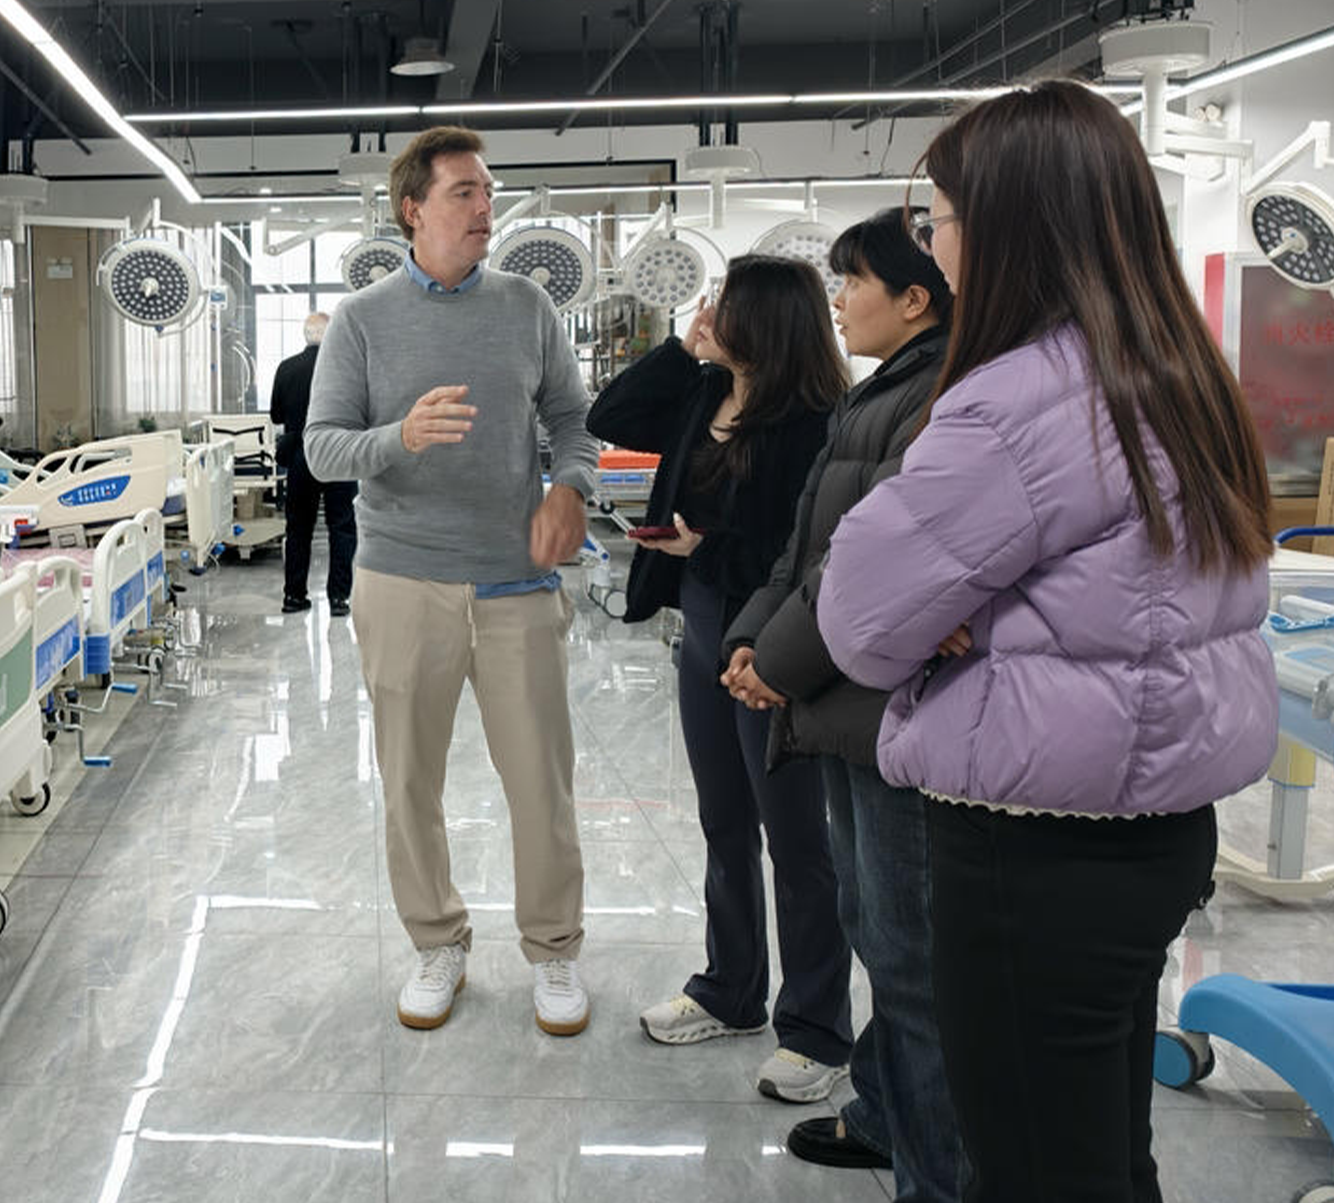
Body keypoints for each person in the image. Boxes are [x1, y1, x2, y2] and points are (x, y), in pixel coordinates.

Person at [816, 80, 1276, 1203]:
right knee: (1100, 1153)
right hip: (1154, 827)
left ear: (1007, 228)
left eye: (939, 220)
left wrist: (965, 616)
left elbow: (860, 620)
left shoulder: (1016, 403)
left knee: (1030, 1165)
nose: (932, 248)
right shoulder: (1178, 374)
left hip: (1034, 847)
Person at [305, 126, 598, 1036]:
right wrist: (399, 438)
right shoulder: (361, 320)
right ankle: (437, 942)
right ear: (413, 209)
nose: (485, 207)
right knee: (408, 782)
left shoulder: (527, 307)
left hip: (515, 584)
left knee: (541, 783)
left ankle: (553, 951)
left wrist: (569, 486)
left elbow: (574, 420)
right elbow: (321, 450)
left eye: (488, 191)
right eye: (465, 192)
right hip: (402, 583)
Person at [716, 210, 965, 1200]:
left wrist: (776, 664)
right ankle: (881, 1114)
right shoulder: (878, 395)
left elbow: (883, 563)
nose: (840, 302)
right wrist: (751, 637)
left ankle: (934, 1171)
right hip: (848, 698)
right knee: (876, 925)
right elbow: (808, 547)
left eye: (853, 282)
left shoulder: (939, 398)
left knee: (909, 955)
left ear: (913, 298)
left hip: (893, 704)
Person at [586, 254, 854, 1102]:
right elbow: (609, 414)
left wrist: (709, 544)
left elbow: (808, 550)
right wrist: (682, 349)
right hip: (703, 624)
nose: (710, 309)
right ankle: (731, 989)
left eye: (725, 301)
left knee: (797, 839)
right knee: (723, 821)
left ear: (766, 319)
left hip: (772, 641)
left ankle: (816, 1029)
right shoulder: (707, 391)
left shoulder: (816, 420)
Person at [271, 311, 357, 616]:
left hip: (301, 454)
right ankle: (339, 599)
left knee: (298, 528)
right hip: (338, 454)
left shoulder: (287, 368)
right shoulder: (346, 368)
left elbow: (276, 416)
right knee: (342, 527)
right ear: (331, 335)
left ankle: (293, 597)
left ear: (306, 336)